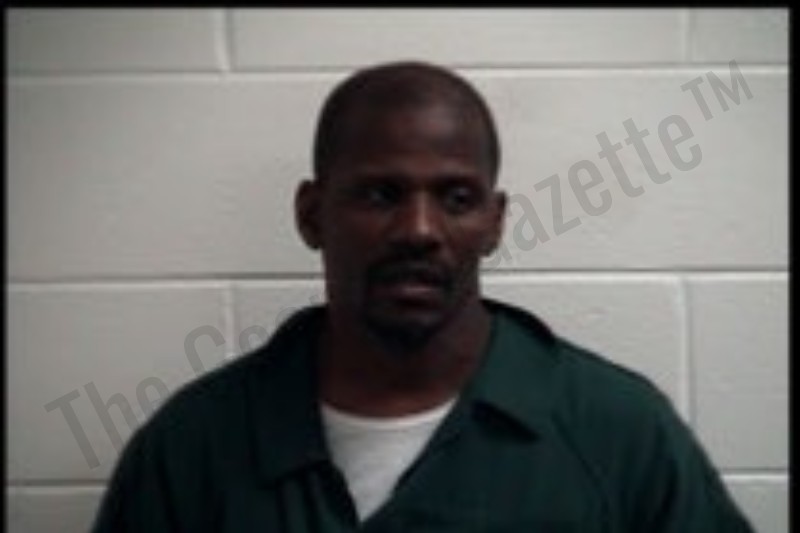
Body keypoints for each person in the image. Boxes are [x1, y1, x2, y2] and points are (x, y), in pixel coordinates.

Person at [91, 61, 754, 532]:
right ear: (312, 214)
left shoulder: (619, 432)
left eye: (456, 198)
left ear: (494, 223)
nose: (418, 230)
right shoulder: (193, 446)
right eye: (381, 194)